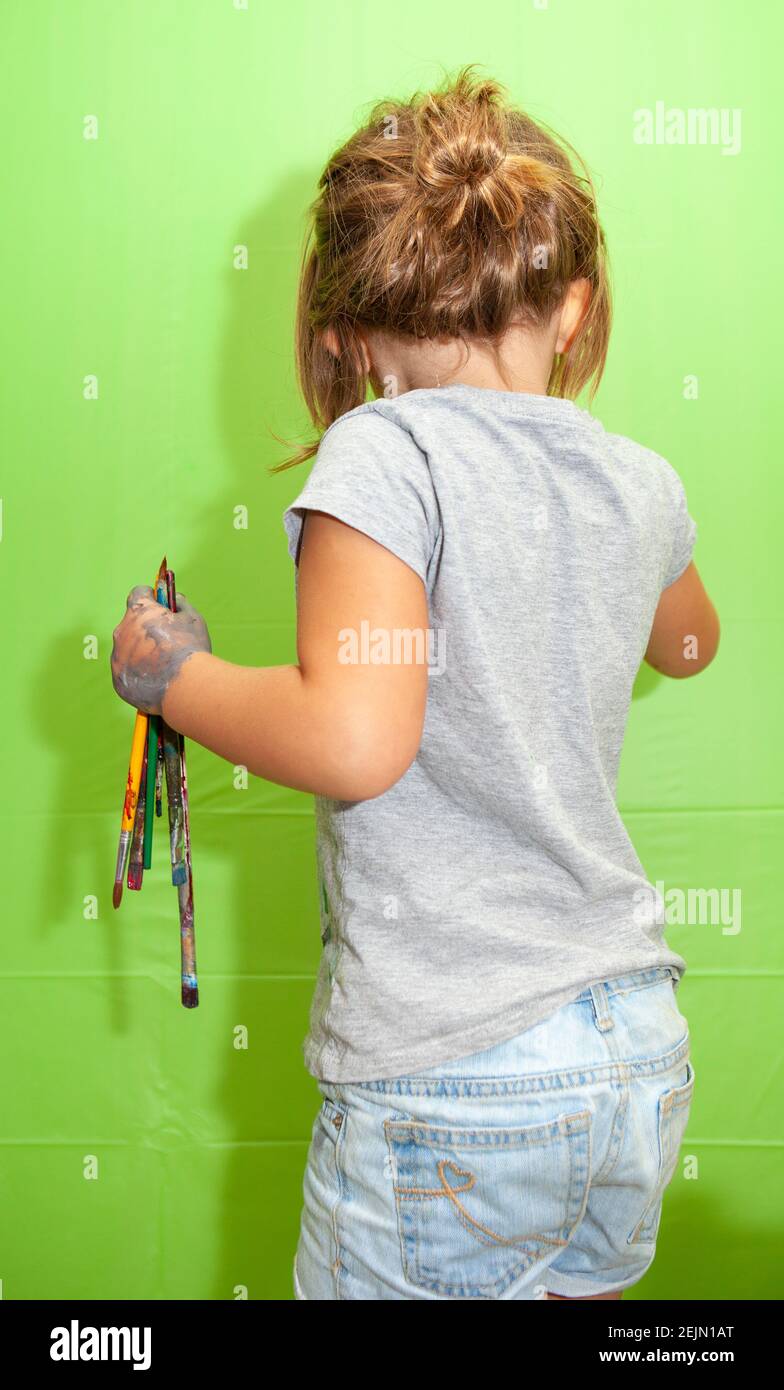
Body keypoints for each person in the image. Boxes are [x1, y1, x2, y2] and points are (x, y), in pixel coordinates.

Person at [110, 65, 720, 1301]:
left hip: (457, 1076)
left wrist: (177, 678)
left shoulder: (382, 449)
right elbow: (690, 642)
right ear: (577, 308)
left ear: (342, 333)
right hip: (630, 1052)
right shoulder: (639, 478)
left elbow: (354, 736)